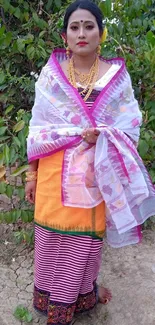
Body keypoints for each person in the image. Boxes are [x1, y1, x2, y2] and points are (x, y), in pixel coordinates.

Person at [25, 1, 155, 324]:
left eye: (89, 26)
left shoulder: (115, 78)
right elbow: (39, 129)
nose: (81, 33)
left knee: (86, 241)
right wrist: (31, 174)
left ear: (101, 33)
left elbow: (130, 125)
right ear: (64, 35)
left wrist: (104, 136)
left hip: (95, 176)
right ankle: (51, 300)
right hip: (54, 175)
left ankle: (82, 296)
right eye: (74, 27)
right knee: (51, 239)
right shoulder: (51, 76)